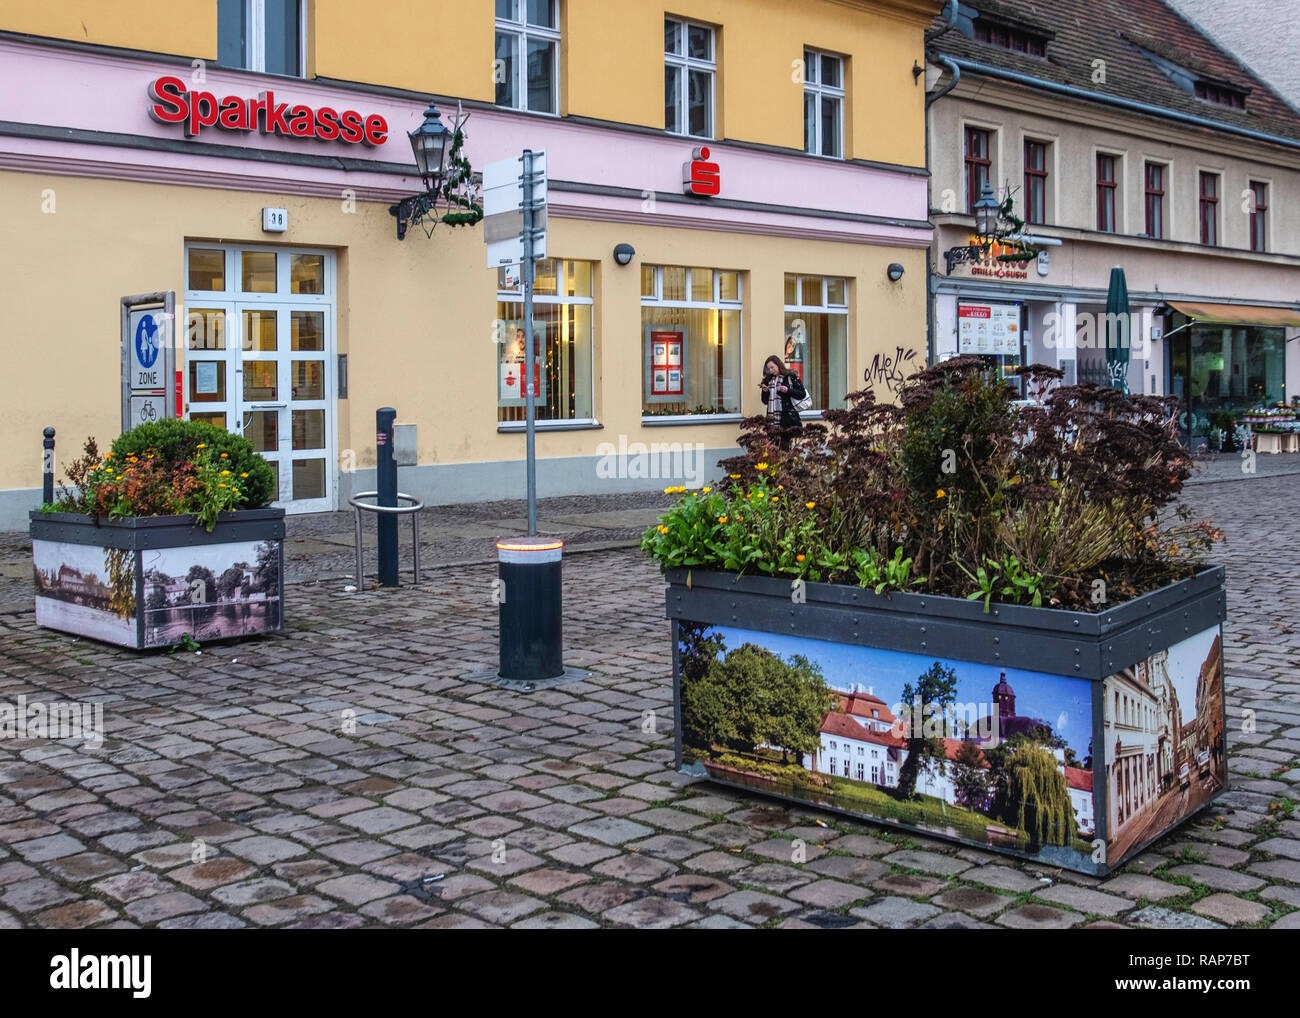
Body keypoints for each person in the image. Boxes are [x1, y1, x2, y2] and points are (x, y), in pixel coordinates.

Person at [760, 354, 806, 445]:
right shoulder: (767, 381)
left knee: (785, 449)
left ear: (778, 364)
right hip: (771, 421)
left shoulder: (790, 376)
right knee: (772, 451)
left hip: (786, 420)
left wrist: (788, 390)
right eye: (768, 368)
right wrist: (765, 391)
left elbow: (802, 394)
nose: (771, 370)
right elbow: (765, 402)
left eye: (772, 367)